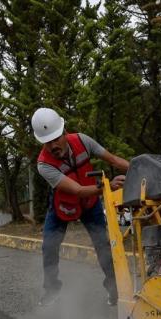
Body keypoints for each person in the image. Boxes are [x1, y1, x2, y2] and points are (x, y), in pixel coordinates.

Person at [31, 108, 129, 306]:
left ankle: (114, 290)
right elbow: (76, 190)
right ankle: (52, 291)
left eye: (56, 138)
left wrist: (144, 169)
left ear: (64, 131)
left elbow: (114, 160)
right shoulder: (44, 165)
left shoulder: (83, 141)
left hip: (90, 204)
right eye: (47, 142)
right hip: (62, 205)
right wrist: (107, 186)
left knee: (104, 245)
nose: (53, 145)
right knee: (49, 247)